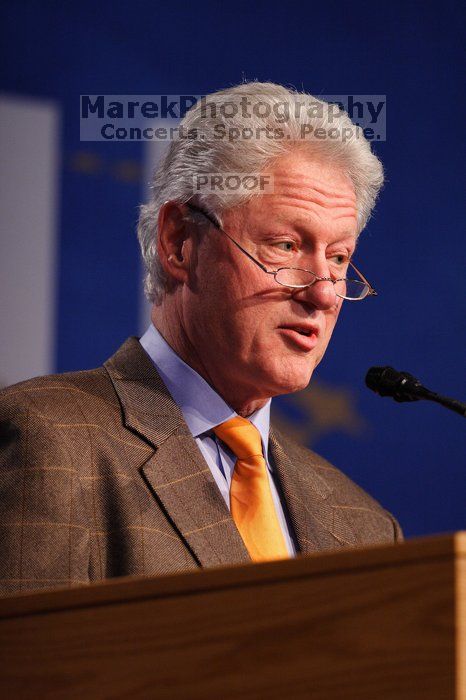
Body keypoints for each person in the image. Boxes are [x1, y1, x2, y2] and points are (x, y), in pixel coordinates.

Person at [0, 82, 402, 596]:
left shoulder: (366, 528)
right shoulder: (51, 446)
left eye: (340, 259)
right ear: (179, 242)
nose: (323, 294)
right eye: (285, 245)